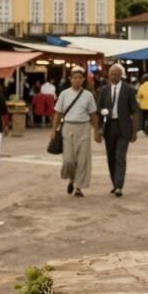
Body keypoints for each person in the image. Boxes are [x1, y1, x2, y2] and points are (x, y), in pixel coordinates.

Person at [51, 67, 100, 197]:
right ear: (70, 79)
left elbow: (93, 114)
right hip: (68, 127)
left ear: (83, 80)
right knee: (68, 160)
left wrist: (96, 131)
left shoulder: (88, 95)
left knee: (82, 159)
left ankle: (78, 187)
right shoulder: (64, 94)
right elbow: (58, 113)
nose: (77, 80)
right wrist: (54, 130)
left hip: (84, 128)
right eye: (74, 78)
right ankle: (71, 178)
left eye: (79, 78)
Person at [97, 64, 139, 197]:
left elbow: (135, 111)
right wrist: (98, 128)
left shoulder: (129, 90)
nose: (113, 76)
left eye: (116, 74)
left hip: (124, 128)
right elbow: (98, 110)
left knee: (120, 156)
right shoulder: (104, 90)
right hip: (109, 128)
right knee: (111, 157)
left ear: (121, 75)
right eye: (111, 74)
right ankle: (114, 183)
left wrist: (135, 130)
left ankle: (119, 185)